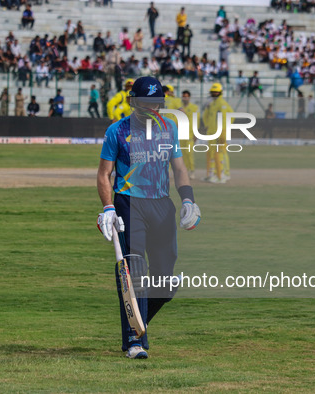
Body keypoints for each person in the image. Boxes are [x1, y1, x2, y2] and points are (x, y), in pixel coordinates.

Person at [96, 76, 200, 359]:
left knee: (165, 285)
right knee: (135, 273)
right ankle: (135, 341)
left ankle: (137, 325)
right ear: (134, 102)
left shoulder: (169, 128)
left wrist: (189, 199)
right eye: (147, 103)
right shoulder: (117, 131)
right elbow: (104, 174)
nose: (154, 109)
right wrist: (108, 208)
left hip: (162, 205)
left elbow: (179, 169)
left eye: (158, 103)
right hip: (130, 204)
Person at [202, 82, 231, 183]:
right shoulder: (212, 104)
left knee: (221, 153)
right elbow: (206, 117)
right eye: (213, 92)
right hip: (211, 132)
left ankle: (224, 174)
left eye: (216, 92)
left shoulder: (222, 104)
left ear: (220, 93)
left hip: (219, 132)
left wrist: (223, 130)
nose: (214, 94)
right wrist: (208, 126)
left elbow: (228, 117)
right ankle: (215, 173)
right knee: (212, 153)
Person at [181, 90, 198, 179]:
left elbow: (196, 121)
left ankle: (192, 170)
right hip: (181, 134)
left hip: (190, 134)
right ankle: (186, 170)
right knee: (183, 154)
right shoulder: (179, 108)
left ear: (189, 98)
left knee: (189, 153)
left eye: (186, 97)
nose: (185, 98)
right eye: (183, 97)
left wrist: (196, 133)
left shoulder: (194, 108)